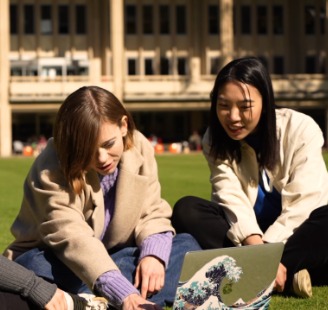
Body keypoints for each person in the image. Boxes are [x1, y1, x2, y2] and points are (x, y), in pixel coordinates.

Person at [3, 86, 201, 310]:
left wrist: (154, 256)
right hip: (62, 260)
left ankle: (86, 301)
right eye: (88, 150)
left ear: (124, 125)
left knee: (185, 247)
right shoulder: (52, 165)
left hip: (117, 255)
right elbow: (72, 237)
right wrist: (122, 292)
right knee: (33, 265)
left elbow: (152, 211)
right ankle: (121, 296)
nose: (102, 158)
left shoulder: (140, 147)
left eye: (108, 145)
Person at [171, 56, 328, 299]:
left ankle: (263, 272)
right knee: (186, 209)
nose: (233, 117)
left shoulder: (300, 128)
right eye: (224, 105)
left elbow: (304, 202)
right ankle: (285, 275)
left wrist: (267, 253)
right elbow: (229, 195)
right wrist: (256, 248)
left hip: (298, 235)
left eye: (245, 107)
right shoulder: (214, 138)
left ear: (265, 101)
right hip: (247, 240)